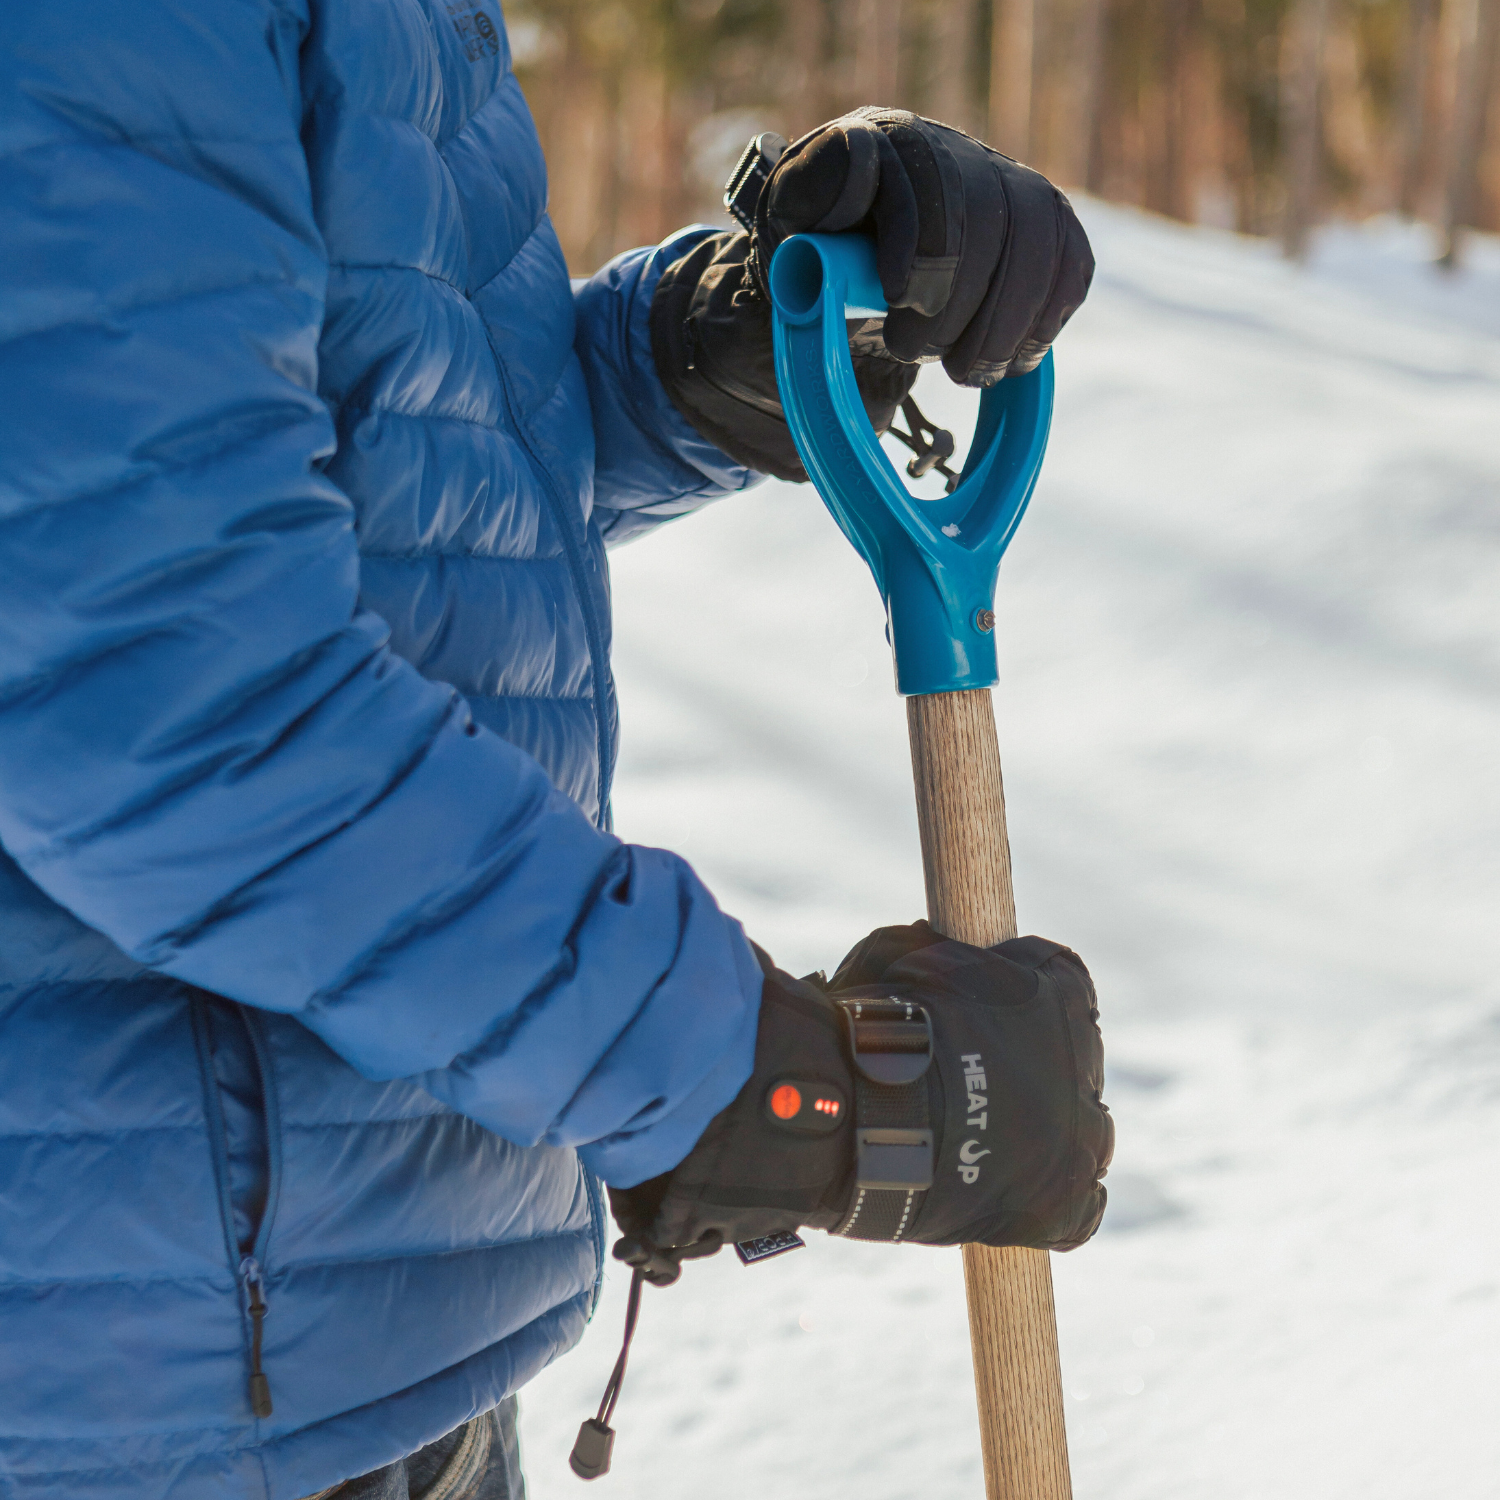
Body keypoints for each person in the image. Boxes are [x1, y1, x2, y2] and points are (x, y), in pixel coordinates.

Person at [0, 4, 1111, 1498]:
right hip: (134, 1409)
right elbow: (166, 707)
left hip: (348, 1350)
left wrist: (695, 358)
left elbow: (391, 467)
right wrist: (756, 1081)